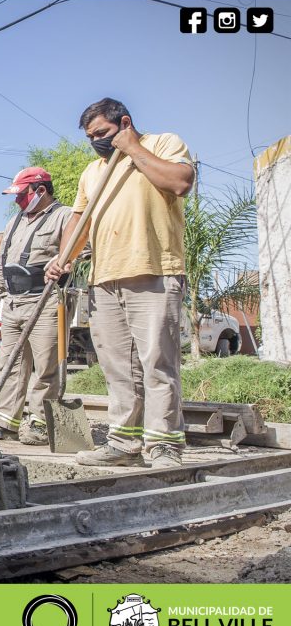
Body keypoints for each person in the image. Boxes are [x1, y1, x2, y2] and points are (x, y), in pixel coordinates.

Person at [46, 98, 194, 468]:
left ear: (124, 122)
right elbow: (78, 224)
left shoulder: (163, 144)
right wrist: (61, 259)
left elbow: (180, 182)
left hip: (154, 272)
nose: (97, 142)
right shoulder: (92, 173)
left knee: (158, 362)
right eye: (90, 137)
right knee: (117, 367)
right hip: (105, 278)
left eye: (102, 134)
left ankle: (163, 443)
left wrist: (132, 149)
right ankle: (124, 441)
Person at [0, 167, 71, 446]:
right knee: (10, 364)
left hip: (44, 300)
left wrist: (65, 262)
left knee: (46, 366)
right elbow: (1, 259)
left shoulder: (64, 217)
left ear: (40, 190)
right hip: (14, 302)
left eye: (22, 195)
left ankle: (40, 422)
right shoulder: (15, 221)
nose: (17, 201)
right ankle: (7, 420)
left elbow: (81, 249)